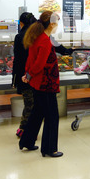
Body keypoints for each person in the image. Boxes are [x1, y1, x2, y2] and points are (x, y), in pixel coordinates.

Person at [19, 11, 63, 157]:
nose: (57, 25)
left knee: (37, 113)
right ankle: (50, 149)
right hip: (46, 84)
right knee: (52, 116)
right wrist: (30, 74)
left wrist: (28, 74)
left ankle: (26, 141)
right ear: (51, 23)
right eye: (57, 22)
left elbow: (30, 59)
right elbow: (39, 63)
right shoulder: (45, 40)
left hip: (37, 83)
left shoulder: (37, 37)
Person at [12, 12, 37, 137]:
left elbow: (17, 60)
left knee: (29, 104)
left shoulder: (19, 36)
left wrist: (14, 79)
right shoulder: (38, 35)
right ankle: (26, 129)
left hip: (24, 75)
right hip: (36, 74)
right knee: (33, 104)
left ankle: (24, 129)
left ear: (21, 23)